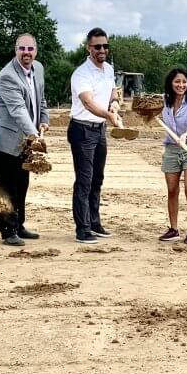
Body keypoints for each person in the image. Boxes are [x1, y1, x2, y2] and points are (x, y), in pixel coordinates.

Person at [0, 34, 49, 246]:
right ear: (15, 50)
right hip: (4, 138)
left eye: (30, 49)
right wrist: (35, 137)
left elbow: (41, 98)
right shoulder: (7, 77)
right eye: (22, 48)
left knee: (22, 183)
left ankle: (19, 225)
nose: (26, 53)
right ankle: (7, 230)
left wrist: (44, 119)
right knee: (6, 186)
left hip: (25, 138)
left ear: (36, 50)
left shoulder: (38, 69)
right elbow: (18, 111)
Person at [68, 27, 119, 244]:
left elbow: (113, 91)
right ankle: (83, 228)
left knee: (97, 178)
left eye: (105, 46)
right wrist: (110, 115)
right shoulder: (81, 74)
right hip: (82, 130)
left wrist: (115, 103)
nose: (102, 50)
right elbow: (88, 102)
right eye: (97, 46)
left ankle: (94, 221)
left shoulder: (108, 69)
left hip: (99, 131)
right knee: (84, 180)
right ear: (89, 48)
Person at [157, 66, 187, 244]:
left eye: (184, 82)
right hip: (171, 148)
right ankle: (173, 229)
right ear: (171, 83)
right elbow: (147, 112)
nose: (181, 85)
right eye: (177, 81)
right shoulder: (164, 101)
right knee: (171, 190)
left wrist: (185, 135)